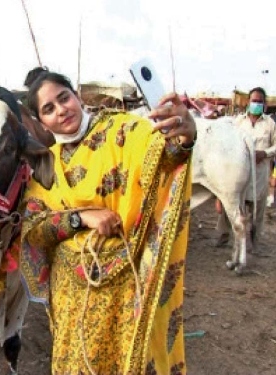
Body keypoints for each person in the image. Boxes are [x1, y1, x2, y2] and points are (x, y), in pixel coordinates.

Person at [20, 71, 197, 374]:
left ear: (76, 95)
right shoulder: (46, 162)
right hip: (71, 296)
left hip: (126, 288)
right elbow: (33, 229)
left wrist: (185, 136)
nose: (61, 110)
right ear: (40, 121)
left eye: (64, 98)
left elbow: (164, 158)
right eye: (48, 109)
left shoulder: (125, 131)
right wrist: (80, 218)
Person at [215, 87, 276, 251]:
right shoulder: (238, 122)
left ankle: (254, 244)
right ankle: (222, 238)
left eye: (259, 101)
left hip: (260, 173)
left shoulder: (270, 124)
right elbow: (228, 143)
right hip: (239, 172)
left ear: (264, 104)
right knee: (232, 205)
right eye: (254, 100)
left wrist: (265, 153)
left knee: (257, 212)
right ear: (248, 102)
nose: (256, 103)